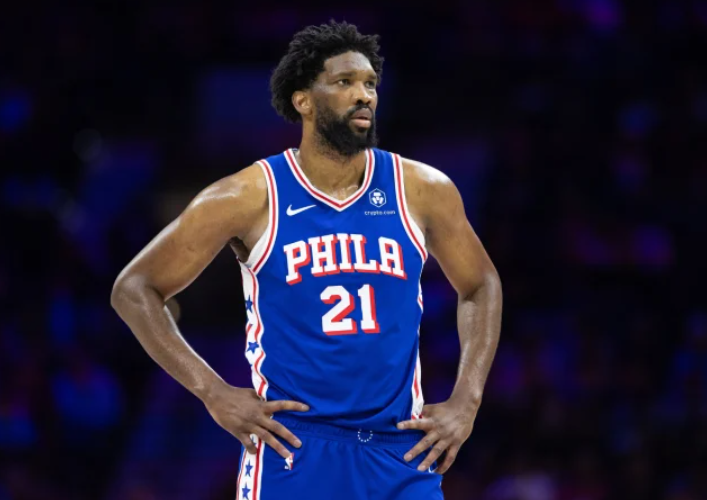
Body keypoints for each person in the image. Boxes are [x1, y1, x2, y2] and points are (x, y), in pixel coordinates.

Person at [111, 20, 502, 500]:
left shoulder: (422, 190)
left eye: (370, 84)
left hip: (401, 452)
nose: (363, 95)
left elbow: (481, 283)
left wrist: (467, 400)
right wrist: (213, 391)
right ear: (304, 101)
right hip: (295, 449)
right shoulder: (248, 195)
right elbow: (135, 288)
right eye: (345, 82)